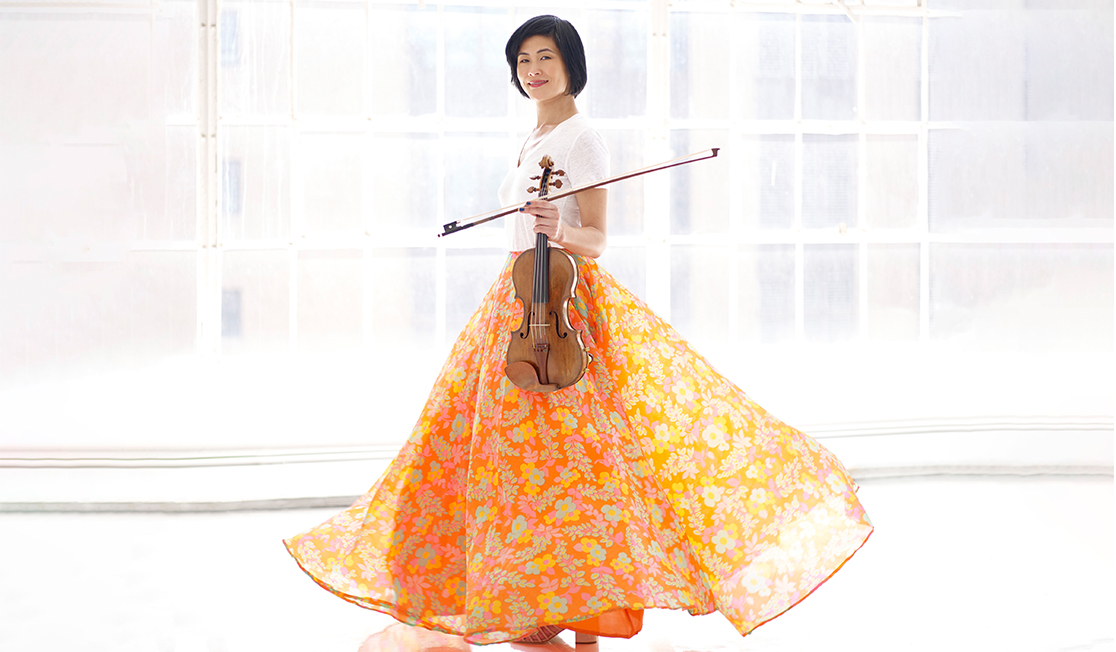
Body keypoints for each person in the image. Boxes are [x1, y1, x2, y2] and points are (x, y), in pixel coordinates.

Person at [284, 14, 873, 647]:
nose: (533, 70)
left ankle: (580, 622)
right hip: (516, 299)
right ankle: (535, 605)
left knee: (578, 469)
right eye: (523, 61)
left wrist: (555, 229)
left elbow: (595, 239)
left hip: (561, 305)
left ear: (571, 64)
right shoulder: (534, 136)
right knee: (507, 462)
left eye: (545, 57)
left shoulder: (582, 139)